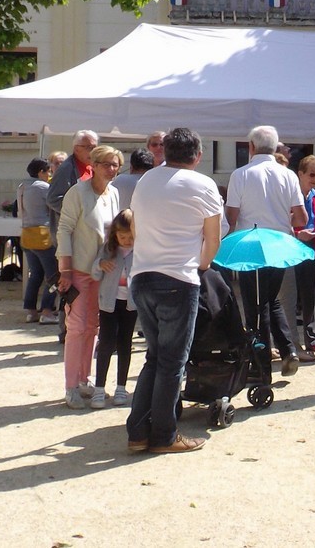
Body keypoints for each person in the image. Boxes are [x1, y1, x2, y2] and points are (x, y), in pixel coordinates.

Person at [126, 127, 222, 454]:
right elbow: (213, 239)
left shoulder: (146, 180)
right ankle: (164, 435)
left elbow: (136, 227)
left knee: (155, 358)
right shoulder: (203, 184)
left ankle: (138, 431)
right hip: (178, 279)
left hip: (143, 275)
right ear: (197, 155)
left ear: (164, 152)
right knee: (172, 363)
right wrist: (203, 266)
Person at [225, 125, 306, 377]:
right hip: (279, 242)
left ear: (251, 146)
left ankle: (261, 366)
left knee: (254, 305)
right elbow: (301, 218)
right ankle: (287, 349)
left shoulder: (241, 174)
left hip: (252, 241)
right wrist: (281, 220)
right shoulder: (288, 175)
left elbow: (231, 216)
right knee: (271, 300)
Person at [56, 145, 123, 409]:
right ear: (93, 165)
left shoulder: (114, 193)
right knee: (77, 328)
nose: (112, 169)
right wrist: (65, 269)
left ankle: (84, 379)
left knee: (93, 328)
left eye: (116, 164)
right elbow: (64, 230)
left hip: (104, 271)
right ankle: (71, 386)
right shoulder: (77, 192)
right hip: (79, 271)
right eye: (107, 164)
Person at [93, 209, 138, 409]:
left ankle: (121, 386)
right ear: (115, 235)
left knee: (125, 343)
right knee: (106, 343)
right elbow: (94, 273)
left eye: (131, 237)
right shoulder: (108, 249)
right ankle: (99, 388)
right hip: (108, 304)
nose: (127, 241)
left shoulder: (140, 251)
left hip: (130, 305)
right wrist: (101, 265)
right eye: (122, 237)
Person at [291, 155, 315, 358]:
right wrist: (298, 234)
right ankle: (290, 342)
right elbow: (284, 225)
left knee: (309, 297)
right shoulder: (291, 195)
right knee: (290, 297)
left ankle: (311, 339)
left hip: (313, 250)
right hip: (293, 250)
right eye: (311, 174)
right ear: (301, 174)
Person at [19, 158, 60, 325]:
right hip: (43, 234)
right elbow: (55, 206)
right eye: (47, 171)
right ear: (41, 172)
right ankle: (47, 310)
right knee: (54, 276)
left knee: (35, 274)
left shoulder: (22, 186)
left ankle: (30, 311)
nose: (49, 174)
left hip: (27, 233)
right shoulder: (44, 187)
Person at [47, 130, 100, 237]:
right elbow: (53, 199)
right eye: (89, 148)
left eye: (96, 147)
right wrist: (79, 213)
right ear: (76, 148)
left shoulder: (92, 166)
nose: (94, 151)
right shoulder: (66, 169)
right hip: (72, 235)